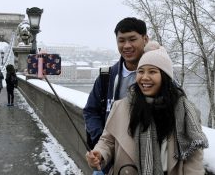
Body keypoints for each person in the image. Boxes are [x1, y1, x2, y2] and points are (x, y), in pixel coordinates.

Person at [86, 41, 208, 175]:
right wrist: (100, 154)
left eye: (152, 72)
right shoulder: (121, 107)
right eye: (141, 71)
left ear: (165, 76)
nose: (144, 77)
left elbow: (193, 161)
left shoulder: (184, 111)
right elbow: (108, 141)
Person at [83, 17, 148, 170]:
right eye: (121, 41)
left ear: (145, 39)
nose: (127, 46)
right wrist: (102, 143)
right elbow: (90, 111)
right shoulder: (106, 77)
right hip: (111, 163)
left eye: (132, 39)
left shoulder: (159, 76)